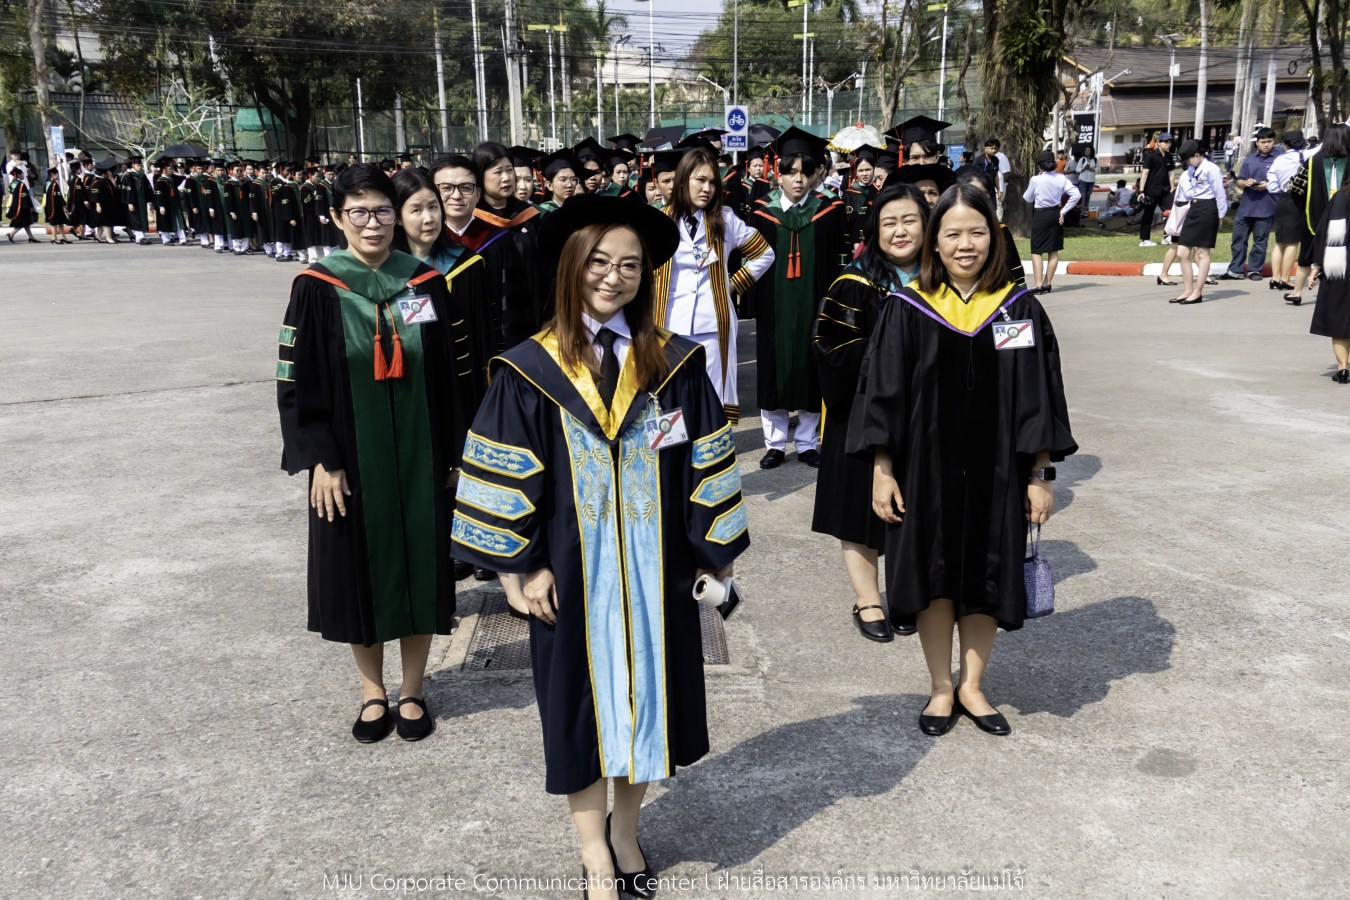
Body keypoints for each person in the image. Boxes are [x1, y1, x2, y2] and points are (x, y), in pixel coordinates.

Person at [448, 194, 749, 900]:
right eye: (600, 263)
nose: (612, 278)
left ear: (646, 276)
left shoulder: (673, 365)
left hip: (658, 576)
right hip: (574, 577)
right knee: (581, 711)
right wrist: (519, 567)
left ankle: (624, 831)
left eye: (630, 266)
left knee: (649, 707)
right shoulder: (531, 370)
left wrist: (716, 549)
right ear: (572, 268)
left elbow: (707, 457)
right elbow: (502, 470)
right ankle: (592, 851)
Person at [848, 182, 1077, 737]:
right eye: (952, 233)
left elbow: (1035, 398)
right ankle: (940, 688)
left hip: (999, 472)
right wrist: (882, 471)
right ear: (935, 241)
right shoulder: (907, 308)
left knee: (985, 576)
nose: (964, 244)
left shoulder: (1018, 309)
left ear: (994, 237)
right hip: (924, 472)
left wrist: (1040, 475)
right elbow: (883, 394)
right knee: (934, 578)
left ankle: (973, 686)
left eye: (976, 232)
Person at [276, 163, 473, 744]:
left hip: (420, 457)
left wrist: (456, 452)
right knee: (359, 572)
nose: (373, 223)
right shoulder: (316, 288)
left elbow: (450, 375)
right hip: (350, 463)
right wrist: (319, 457)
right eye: (358, 212)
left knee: (420, 567)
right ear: (336, 218)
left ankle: (412, 689)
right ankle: (373, 692)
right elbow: (294, 381)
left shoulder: (425, 283)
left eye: (383, 211)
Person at [812, 183, 930, 643]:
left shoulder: (943, 279)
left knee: (914, 506)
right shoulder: (856, 281)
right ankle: (867, 599)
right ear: (874, 230)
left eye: (909, 221)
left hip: (925, 416)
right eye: (889, 223)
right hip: (859, 412)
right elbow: (829, 348)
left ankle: (906, 592)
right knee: (861, 508)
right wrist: (889, 361)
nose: (900, 231)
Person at [746, 127, 848, 468]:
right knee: (773, 370)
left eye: (806, 172)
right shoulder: (760, 213)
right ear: (779, 173)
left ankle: (806, 443)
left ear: (817, 172)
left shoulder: (830, 212)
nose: (799, 180)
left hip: (814, 306)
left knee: (810, 368)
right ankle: (774, 444)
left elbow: (838, 259)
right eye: (791, 172)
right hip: (772, 308)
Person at [652, 146, 776, 423]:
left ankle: (710, 457)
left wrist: (733, 284)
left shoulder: (725, 219)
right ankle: (673, 460)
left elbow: (765, 253)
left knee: (712, 396)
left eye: (712, 182)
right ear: (683, 180)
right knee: (670, 395)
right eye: (700, 180)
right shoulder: (658, 220)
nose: (707, 188)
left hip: (713, 323)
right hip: (668, 323)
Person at [1292, 123, 1350, 309]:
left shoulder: (1311, 161)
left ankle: (1297, 292)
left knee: (1307, 255)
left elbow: (1296, 190)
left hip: (1314, 218)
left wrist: (1305, 209)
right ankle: (1336, 295)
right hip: (1344, 218)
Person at [1169, 141, 1228, 304]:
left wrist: (1220, 216)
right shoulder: (1191, 170)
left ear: (1197, 155)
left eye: (1188, 160)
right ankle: (1188, 289)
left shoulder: (1211, 169)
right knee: (1182, 252)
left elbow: (1220, 194)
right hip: (1194, 207)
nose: (1187, 164)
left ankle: (1197, 292)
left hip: (1208, 208)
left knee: (1202, 253)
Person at [1220, 127, 1277, 281]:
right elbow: (1239, 180)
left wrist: (1268, 185)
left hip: (1266, 206)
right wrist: (1245, 182)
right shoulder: (1250, 159)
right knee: (1238, 239)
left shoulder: (1279, 158)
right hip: (1246, 206)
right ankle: (1235, 270)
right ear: (1257, 143)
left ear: (1274, 141)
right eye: (1263, 142)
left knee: (1260, 241)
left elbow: (1284, 181)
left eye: (1269, 141)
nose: (1266, 145)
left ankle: (1254, 270)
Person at [1267, 129, 1317, 303]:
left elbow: (1272, 186)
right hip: (1298, 201)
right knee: (1293, 242)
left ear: (1285, 145)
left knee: (1280, 241)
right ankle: (1286, 279)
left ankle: (1275, 277)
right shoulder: (1306, 154)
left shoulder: (1278, 160)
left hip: (1282, 199)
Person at [1309, 177, 1350, 382]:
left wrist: (1316, 265)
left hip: (1338, 266)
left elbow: (1323, 232)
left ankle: (1343, 368)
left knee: (1340, 318)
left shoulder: (1340, 197)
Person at [1023, 150, 1080, 294]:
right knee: (1053, 251)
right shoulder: (1061, 178)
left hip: (1041, 214)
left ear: (1040, 166)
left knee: (1037, 251)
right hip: (1056, 213)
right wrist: (1064, 211)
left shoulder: (1036, 180)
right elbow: (1076, 194)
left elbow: (1027, 198)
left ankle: (1037, 285)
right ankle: (1047, 283)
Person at [1137, 132, 1176, 246]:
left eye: (1170, 142)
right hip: (1151, 190)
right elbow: (1144, 173)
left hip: (1165, 190)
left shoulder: (1169, 157)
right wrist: (1141, 191)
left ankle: (1167, 236)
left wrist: (1172, 189)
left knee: (1171, 212)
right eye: (1166, 142)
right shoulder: (1151, 156)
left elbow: (1171, 174)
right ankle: (1144, 240)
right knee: (1148, 215)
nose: (1168, 144)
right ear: (1159, 143)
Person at [534, 150, 582, 215]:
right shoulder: (543, 212)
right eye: (563, 180)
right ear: (549, 185)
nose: (569, 185)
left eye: (573, 179)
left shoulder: (580, 210)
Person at [119, 157, 152, 244]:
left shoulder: (142, 175)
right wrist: (129, 202)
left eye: (140, 165)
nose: (139, 167)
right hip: (134, 201)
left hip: (142, 201)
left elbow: (148, 187)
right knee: (136, 219)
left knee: (142, 218)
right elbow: (127, 190)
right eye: (138, 165)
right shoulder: (128, 176)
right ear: (133, 165)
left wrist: (150, 199)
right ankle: (139, 238)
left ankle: (141, 236)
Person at [40, 166, 71, 244]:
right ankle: (53, 237)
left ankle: (63, 237)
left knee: (60, 222)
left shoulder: (48, 183)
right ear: (52, 174)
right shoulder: (53, 184)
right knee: (55, 223)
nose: (58, 175)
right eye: (56, 174)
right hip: (55, 206)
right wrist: (63, 205)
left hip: (52, 206)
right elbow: (58, 197)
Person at [1069, 147, 1097, 226]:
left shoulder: (1095, 160)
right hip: (1083, 179)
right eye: (1086, 150)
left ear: (1091, 151)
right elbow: (1077, 169)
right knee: (1082, 195)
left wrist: (1092, 169)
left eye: (1088, 150)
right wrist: (1083, 168)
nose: (1086, 151)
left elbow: (1098, 169)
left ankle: (1085, 211)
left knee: (1088, 195)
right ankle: (1081, 211)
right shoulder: (1083, 159)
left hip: (1091, 180)